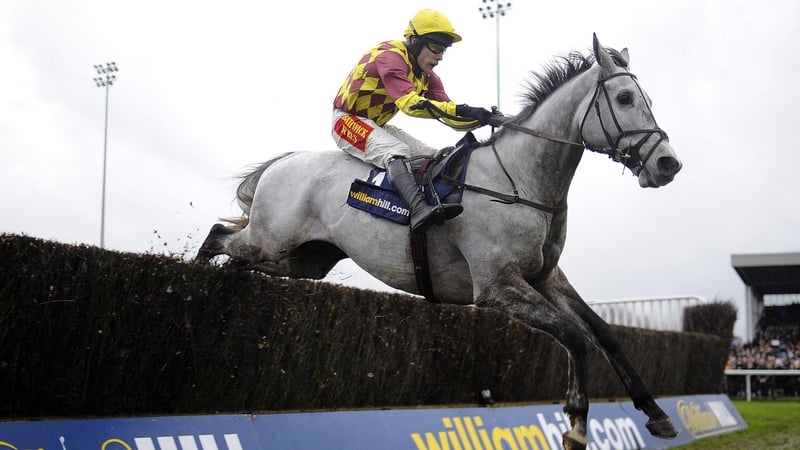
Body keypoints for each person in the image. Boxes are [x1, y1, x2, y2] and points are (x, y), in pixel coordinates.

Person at [332, 9, 493, 233]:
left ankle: (434, 200)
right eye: (436, 47)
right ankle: (418, 210)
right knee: (395, 151)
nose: (440, 56)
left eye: (444, 49)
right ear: (415, 41)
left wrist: (483, 118)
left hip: (377, 125)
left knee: (436, 155)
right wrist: (464, 110)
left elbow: (448, 114)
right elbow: (410, 104)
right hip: (347, 121)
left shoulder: (429, 77)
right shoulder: (390, 57)